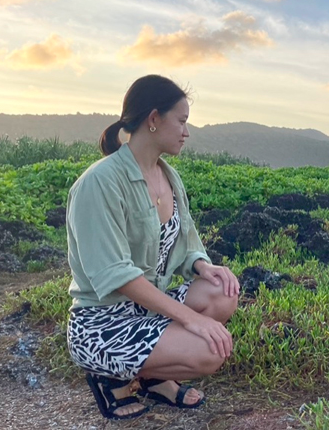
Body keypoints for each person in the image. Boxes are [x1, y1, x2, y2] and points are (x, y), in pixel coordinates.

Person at [66, 75, 240, 420]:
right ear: (154, 119)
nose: (186, 132)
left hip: (146, 310)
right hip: (102, 323)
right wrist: (191, 320)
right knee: (209, 351)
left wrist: (204, 267)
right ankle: (111, 377)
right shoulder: (99, 183)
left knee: (222, 290)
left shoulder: (168, 176)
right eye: (182, 121)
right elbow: (116, 276)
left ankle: (154, 378)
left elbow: (185, 243)